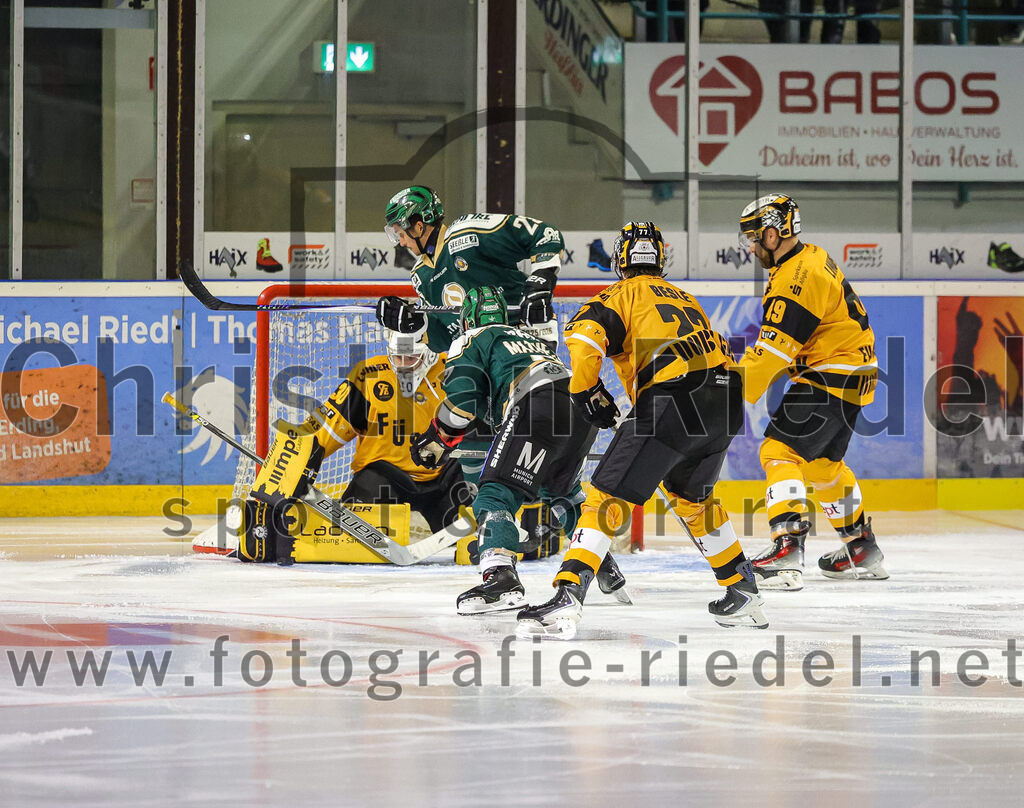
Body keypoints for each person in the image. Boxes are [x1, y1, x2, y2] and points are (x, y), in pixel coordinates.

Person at [517, 222, 768, 640]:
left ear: (621, 260)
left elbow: (582, 339)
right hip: (725, 399)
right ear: (661, 260)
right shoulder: (687, 298)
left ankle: (567, 594)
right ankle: (742, 588)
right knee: (692, 499)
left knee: (605, 495)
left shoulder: (617, 295)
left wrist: (586, 392)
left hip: (674, 397)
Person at [409, 286, 628, 614]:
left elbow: (462, 404)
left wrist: (435, 439)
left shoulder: (471, 339)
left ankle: (501, 580)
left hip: (536, 405)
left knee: (494, 496)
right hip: (577, 410)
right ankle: (601, 563)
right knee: (562, 493)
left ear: (467, 319)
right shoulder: (531, 341)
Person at [375, 185, 567, 546]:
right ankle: (497, 536)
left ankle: (586, 548)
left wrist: (542, 281)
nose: (399, 241)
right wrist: (410, 322)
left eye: (400, 231)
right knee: (476, 462)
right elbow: (443, 339)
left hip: (519, 359)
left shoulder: (468, 233)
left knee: (539, 464)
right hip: (481, 369)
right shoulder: (420, 276)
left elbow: (545, 234)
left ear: (419, 224)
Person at [736, 193, 887, 590]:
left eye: (754, 237)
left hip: (830, 373)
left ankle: (787, 545)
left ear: (773, 234)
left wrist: (727, 389)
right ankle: (861, 547)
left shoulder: (795, 277)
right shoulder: (811, 257)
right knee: (823, 466)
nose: (751, 247)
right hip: (856, 372)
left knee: (778, 452)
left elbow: (772, 355)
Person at [237, 329, 472, 563]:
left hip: (443, 478)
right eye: (397, 357)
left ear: (429, 355)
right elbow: (325, 427)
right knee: (354, 549)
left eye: (410, 358)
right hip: (384, 479)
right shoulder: (369, 375)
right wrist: (294, 467)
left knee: (477, 543)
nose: (402, 365)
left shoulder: (455, 371)